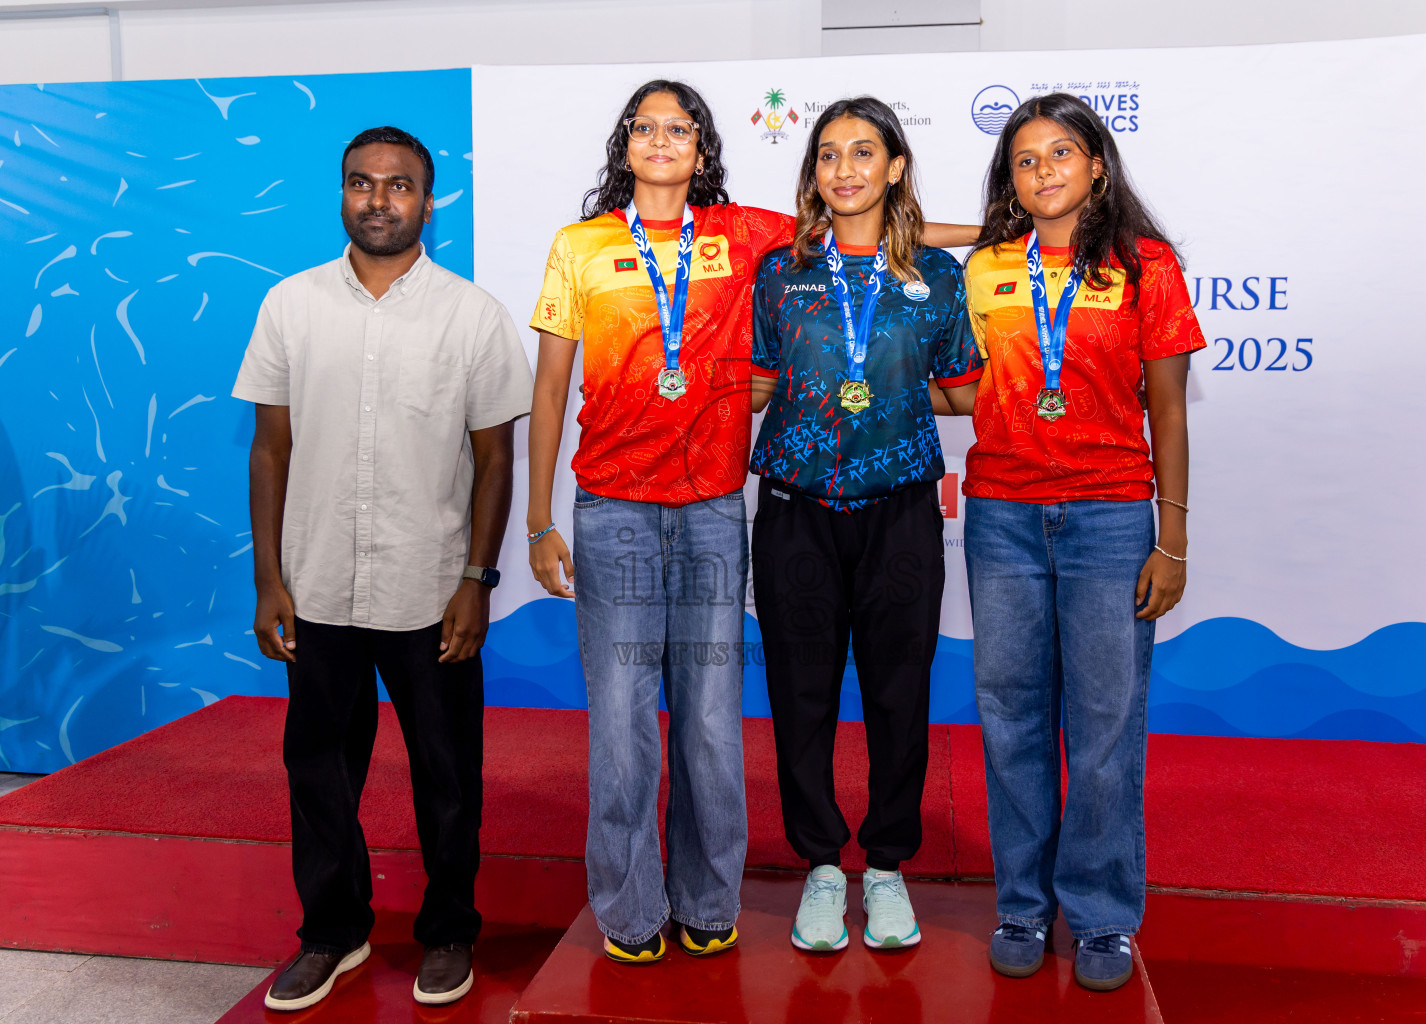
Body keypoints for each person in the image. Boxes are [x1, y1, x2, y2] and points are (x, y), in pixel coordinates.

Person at [525, 80, 975, 965]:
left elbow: (865, 226)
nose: (662, 141)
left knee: (707, 721)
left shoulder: (745, 235)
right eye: (646, 127)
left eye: (680, 128)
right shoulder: (584, 247)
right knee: (621, 722)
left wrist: (1004, 234)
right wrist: (539, 519)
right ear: (624, 145)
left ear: (703, 148)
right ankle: (632, 905)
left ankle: (708, 895)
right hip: (618, 504)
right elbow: (546, 387)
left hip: (710, 509)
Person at [234, 126, 532, 1011]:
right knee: (318, 774)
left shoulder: (472, 315)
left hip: (429, 592)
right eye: (361, 184)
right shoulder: (290, 306)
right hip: (318, 586)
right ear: (341, 195)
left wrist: (477, 581)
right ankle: (334, 932)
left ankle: (448, 934)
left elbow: (496, 462)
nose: (378, 200)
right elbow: (268, 450)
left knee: (448, 777)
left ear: (427, 200)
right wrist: (269, 580)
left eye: (398, 185)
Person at [955, 92, 1203, 992]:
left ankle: (1102, 915)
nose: (1044, 170)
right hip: (1003, 516)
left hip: (1108, 518)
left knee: (1104, 724)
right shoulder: (983, 269)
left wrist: (1170, 539)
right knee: (1011, 715)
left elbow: (1167, 407)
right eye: (1025, 159)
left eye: (1062, 152)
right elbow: (970, 387)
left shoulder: (1146, 265)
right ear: (1010, 181)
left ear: (1098, 163)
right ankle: (1022, 901)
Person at [748, 96, 982, 954]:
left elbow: (960, 390)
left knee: (897, 693)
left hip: (903, 517)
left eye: (861, 152)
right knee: (800, 696)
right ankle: (818, 864)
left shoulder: (939, 278)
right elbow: (760, 382)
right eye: (826, 155)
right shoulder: (780, 272)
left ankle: (885, 866)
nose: (843, 169)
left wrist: (883, 391)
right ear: (812, 173)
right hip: (794, 512)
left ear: (894, 168)